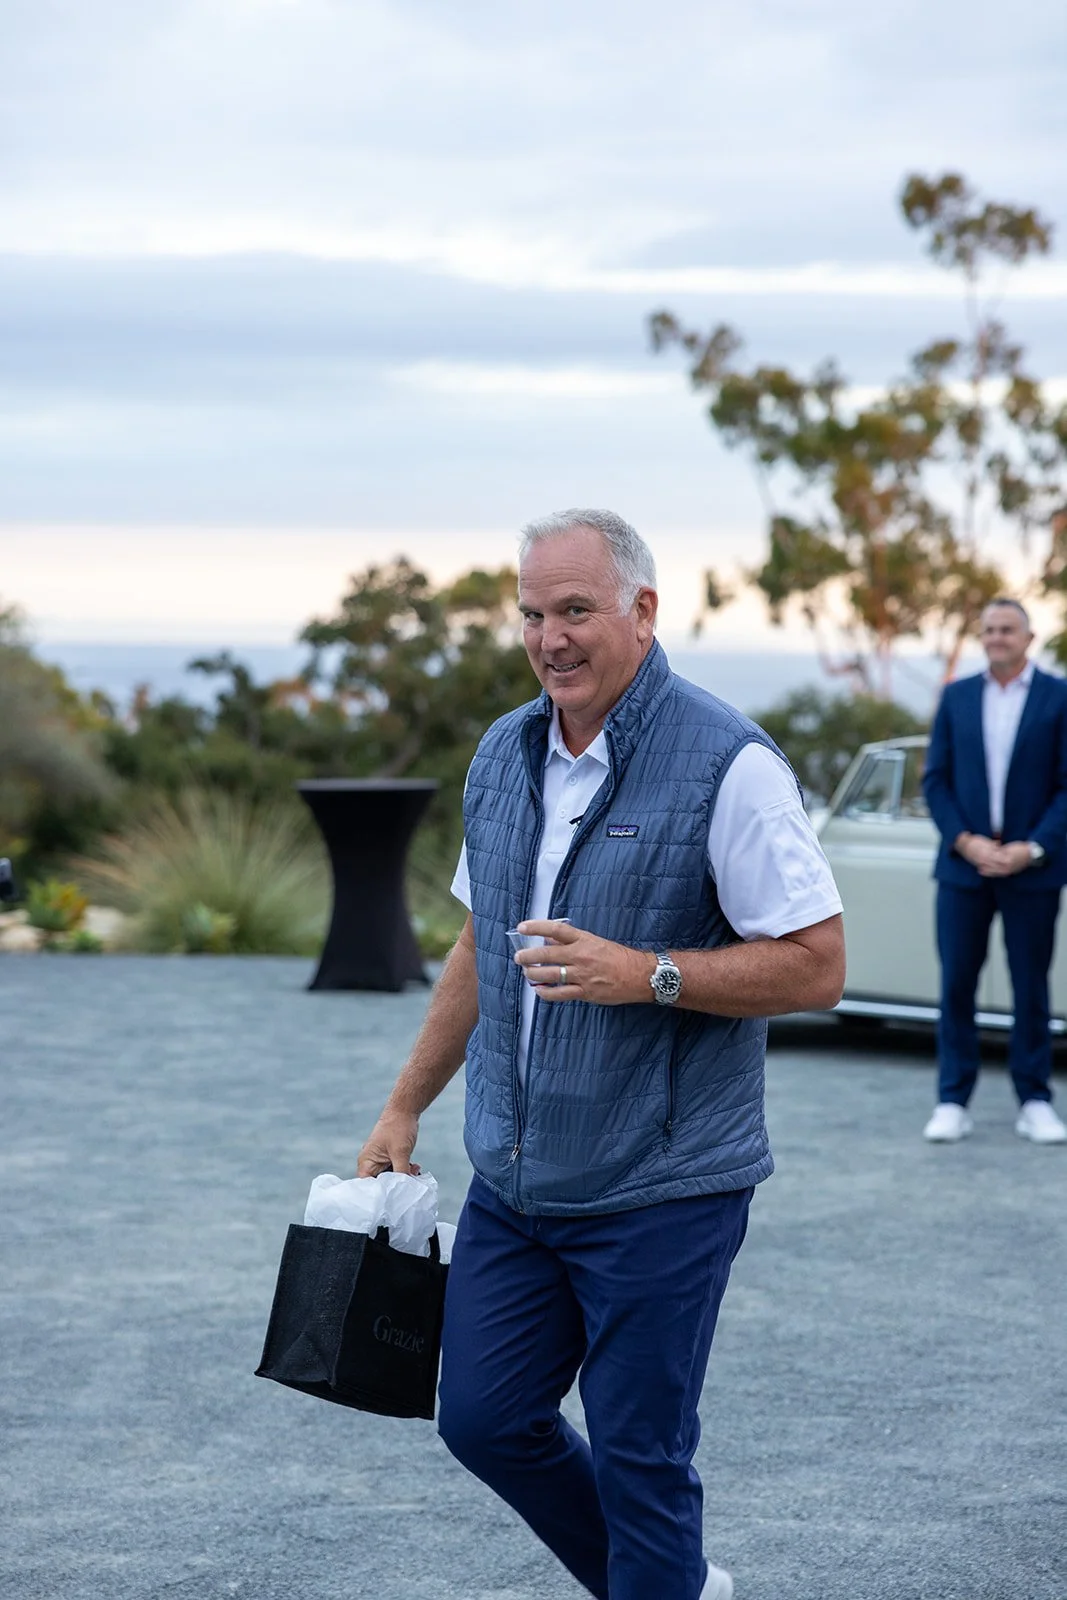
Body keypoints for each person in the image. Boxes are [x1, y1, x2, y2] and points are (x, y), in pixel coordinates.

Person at [357, 510, 846, 1600]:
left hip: (661, 1188)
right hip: (516, 1182)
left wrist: (649, 972)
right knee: (482, 1420)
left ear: (641, 611)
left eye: (574, 610)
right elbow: (482, 947)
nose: (550, 638)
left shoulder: (731, 764)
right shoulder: (502, 753)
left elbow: (816, 964)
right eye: (532, 614)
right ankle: (668, 1585)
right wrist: (404, 1106)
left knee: (640, 1462)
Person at [921, 597, 1067, 1145]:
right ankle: (952, 1100)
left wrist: (1032, 848)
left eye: (1008, 630)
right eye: (989, 630)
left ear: (1029, 638)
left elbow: (1065, 786)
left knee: (1031, 987)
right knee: (957, 984)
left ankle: (1035, 1099)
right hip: (964, 868)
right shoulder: (958, 697)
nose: (997, 638)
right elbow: (935, 780)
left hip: (1033, 869)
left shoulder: (1058, 698)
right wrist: (966, 841)